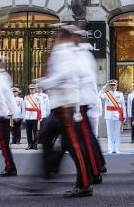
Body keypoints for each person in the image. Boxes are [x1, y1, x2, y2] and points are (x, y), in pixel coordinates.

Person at [36, 24, 93, 198]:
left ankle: (84, 183)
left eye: (59, 32)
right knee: (48, 136)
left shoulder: (66, 52)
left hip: (66, 104)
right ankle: (48, 170)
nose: (56, 35)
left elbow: (65, 74)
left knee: (73, 145)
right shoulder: (63, 50)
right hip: (60, 104)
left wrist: (45, 83)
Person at [72, 37, 104, 183]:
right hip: (78, 104)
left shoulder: (81, 58)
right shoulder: (82, 56)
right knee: (84, 139)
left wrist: (80, 107)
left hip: (80, 104)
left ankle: (95, 171)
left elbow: (83, 83)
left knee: (86, 139)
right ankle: (98, 165)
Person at [0, 54, 18, 177]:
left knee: (2, 144)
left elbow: (4, 96)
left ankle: (9, 168)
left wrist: (12, 112)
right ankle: (10, 168)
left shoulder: (0, 77)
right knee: (3, 144)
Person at [101, 79, 125, 154]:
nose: (112, 86)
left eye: (114, 85)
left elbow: (123, 105)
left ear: (116, 86)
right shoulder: (106, 94)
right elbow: (99, 95)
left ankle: (117, 148)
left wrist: (124, 115)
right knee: (110, 133)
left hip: (117, 115)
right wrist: (106, 86)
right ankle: (110, 149)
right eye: (111, 85)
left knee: (117, 133)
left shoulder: (120, 94)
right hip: (109, 116)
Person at [24, 84, 41, 150]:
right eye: (30, 89)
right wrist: (24, 116)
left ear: (35, 89)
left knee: (35, 132)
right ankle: (29, 145)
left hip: (35, 116)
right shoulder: (26, 97)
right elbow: (24, 107)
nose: (31, 90)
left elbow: (41, 107)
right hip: (28, 116)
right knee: (28, 132)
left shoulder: (39, 97)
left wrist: (41, 117)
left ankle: (35, 145)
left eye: (33, 89)